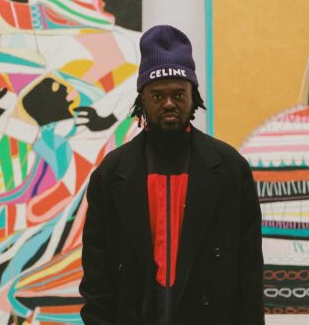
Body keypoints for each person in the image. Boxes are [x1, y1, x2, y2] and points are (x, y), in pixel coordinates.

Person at [80, 25, 263, 325]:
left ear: (194, 97)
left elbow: (250, 273)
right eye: (157, 95)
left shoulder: (231, 169)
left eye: (179, 94)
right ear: (142, 99)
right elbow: (96, 278)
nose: (168, 103)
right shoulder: (111, 174)